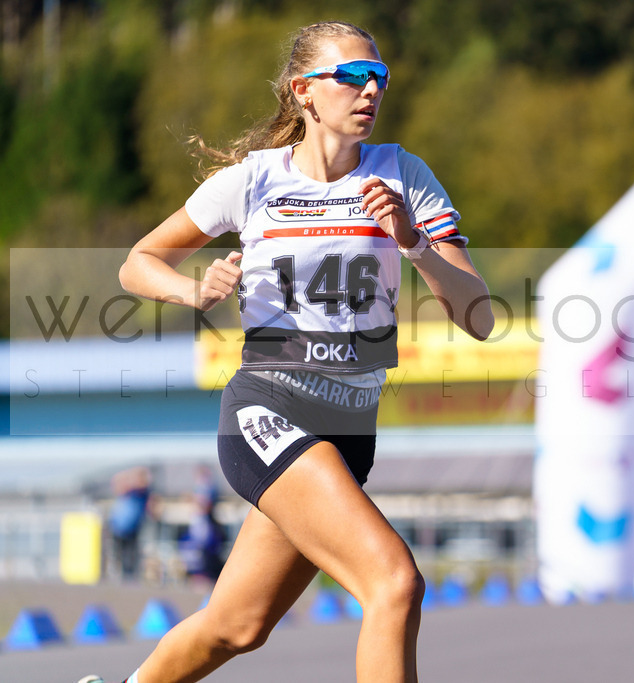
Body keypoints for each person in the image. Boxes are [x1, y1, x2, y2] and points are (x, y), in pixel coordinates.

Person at [84, 19, 493, 683]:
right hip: (270, 410)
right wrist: (195, 289)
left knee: (236, 626)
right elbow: (138, 263)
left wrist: (413, 242)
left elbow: (478, 318)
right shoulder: (252, 181)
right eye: (353, 77)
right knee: (394, 581)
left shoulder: (404, 175)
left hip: (348, 430)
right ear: (304, 90)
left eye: (380, 78)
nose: (371, 91)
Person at [106, 466, 152, 581]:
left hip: (132, 528)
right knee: (118, 554)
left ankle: (129, 576)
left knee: (130, 554)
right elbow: (116, 482)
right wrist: (129, 476)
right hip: (118, 527)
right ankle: (120, 575)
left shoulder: (144, 493)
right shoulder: (128, 491)